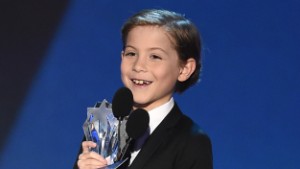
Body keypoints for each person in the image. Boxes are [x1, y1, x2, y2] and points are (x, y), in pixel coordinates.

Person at [75, 9, 213, 169]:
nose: (139, 66)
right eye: (131, 53)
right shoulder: (104, 123)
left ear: (184, 69)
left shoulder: (191, 141)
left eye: (155, 56)